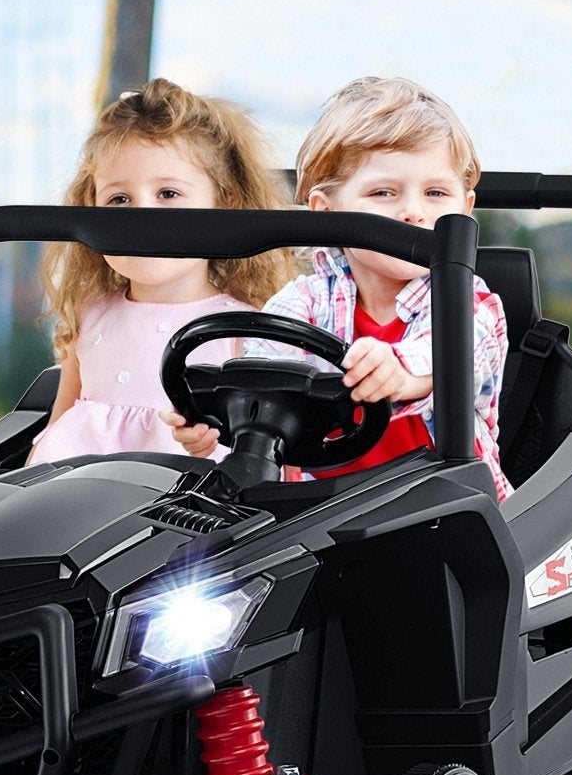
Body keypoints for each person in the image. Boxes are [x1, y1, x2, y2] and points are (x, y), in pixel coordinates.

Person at [162, 76, 512, 500]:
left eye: (436, 193)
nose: (414, 212)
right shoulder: (304, 301)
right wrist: (222, 423)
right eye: (383, 192)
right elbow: (264, 371)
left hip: (445, 505)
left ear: (465, 208)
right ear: (326, 213)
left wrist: (401, 373)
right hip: (319, 512)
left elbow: (458, 357)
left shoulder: (468, 302)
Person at [25, 79, 295, 465]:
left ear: (225, 206)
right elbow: (59, 425)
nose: (142, 217)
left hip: (178, 513)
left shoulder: (244, 329)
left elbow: (259, 454)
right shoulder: (90, 315)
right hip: (70, 501)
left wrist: (208, 443)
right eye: (119, 199)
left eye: (168, 193)